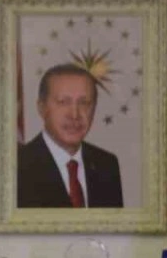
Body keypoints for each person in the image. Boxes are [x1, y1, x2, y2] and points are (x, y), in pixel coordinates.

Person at [17, 63, 123, 208]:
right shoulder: (17, 168)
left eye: (84, 103)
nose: (74, 114)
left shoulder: (107, 165)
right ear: (42, 108)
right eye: (63, 102)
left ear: (94, 109)